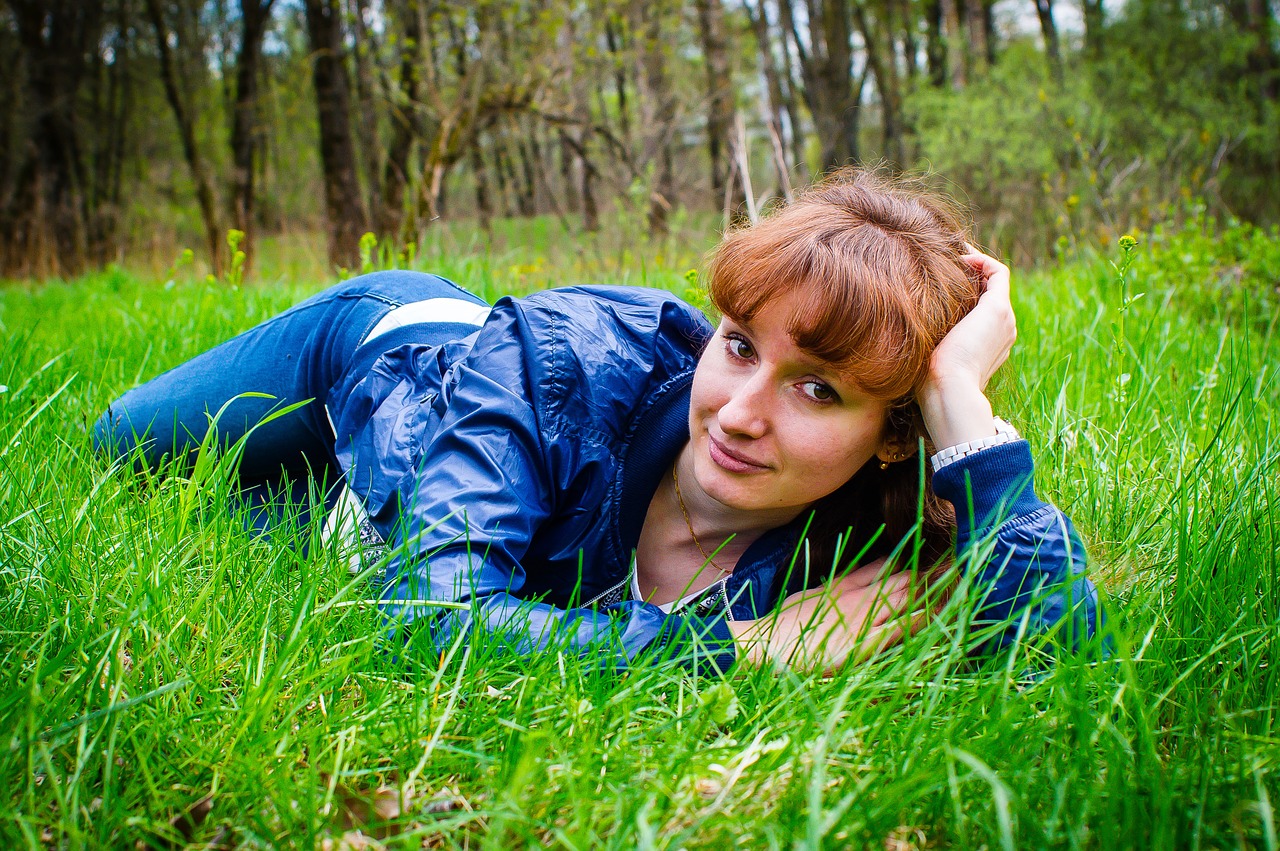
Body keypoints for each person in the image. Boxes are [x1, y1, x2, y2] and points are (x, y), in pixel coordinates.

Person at [93, 169, 1103, 674]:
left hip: (417, 465)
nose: (738, 413)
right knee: (123, 451)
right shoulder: (563, 358)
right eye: (740, 343)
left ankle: (357, 506)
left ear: (892, 429)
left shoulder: (855, 537)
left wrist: (960, 405)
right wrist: (732, 648)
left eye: (817, 389)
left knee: (259, 526)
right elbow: (428, 618)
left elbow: (1060, 677)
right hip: (384, 352)